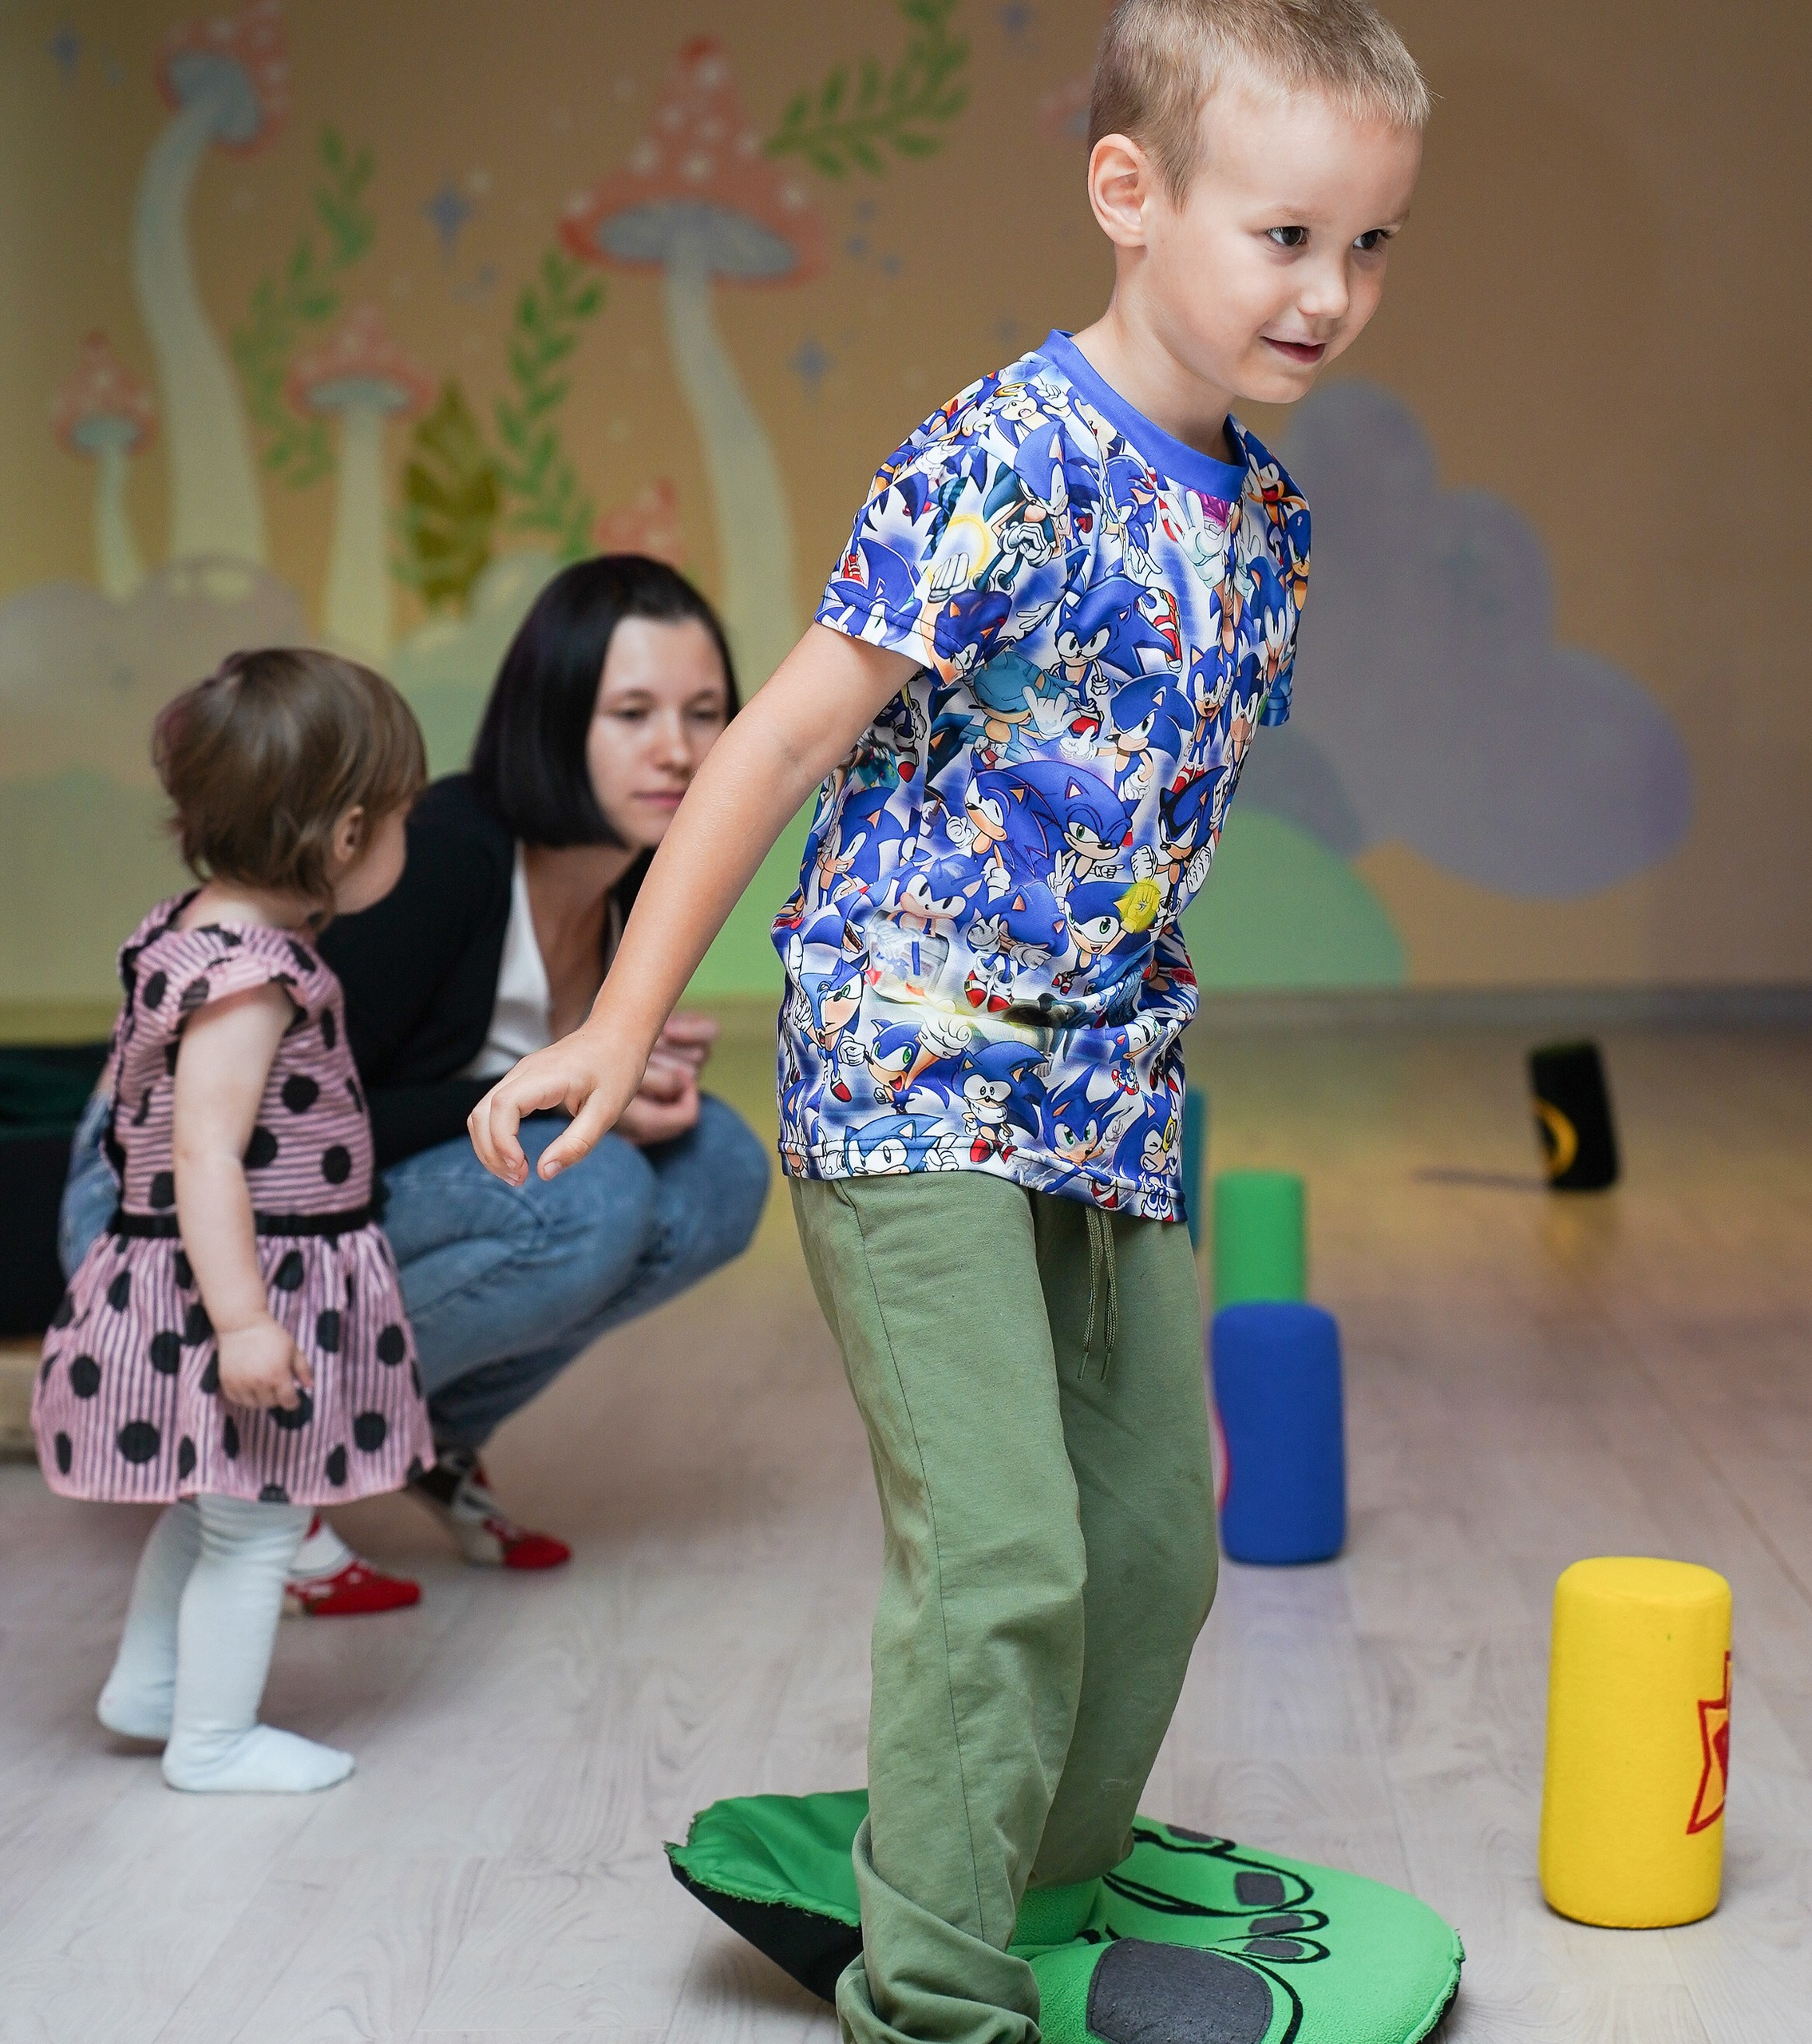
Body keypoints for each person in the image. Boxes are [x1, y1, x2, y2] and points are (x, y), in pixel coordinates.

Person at [471, 3, 1426, 2037]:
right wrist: (616, 1019)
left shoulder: (1266, 519)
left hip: (1107, 1082)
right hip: (908, 1058)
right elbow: (771, 746)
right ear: (1126, 192)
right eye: (1282, 236)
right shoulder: (999, 454)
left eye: (1367, 245)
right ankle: (931, 1999)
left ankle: (1034, 1888)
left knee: (1151, 1550)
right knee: (1001, 1555)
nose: (1328, 292)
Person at [58, 556, 772, 1608]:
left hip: (310, 1182)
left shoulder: (628, 879)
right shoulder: (433, 857)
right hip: (167, 1198)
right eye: (632, 713)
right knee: (589, 1191)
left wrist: (614, 1079)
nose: (678, 748)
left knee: (721, 1164)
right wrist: (559, 1096)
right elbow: (280, 1128)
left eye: (706, 713)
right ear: (551, 720)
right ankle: (262, 1453)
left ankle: (428, 1437)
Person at [34, 650, 433, 1792]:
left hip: (227, 1273)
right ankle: (211, 1742)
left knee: (214, 1502)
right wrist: (246, 1322)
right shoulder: (249, 979)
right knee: (258, 1520)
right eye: (399, 817)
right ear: (347, 834)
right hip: (241, 1280)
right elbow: (204, 1153)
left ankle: (151, 1691)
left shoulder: (193, 928)